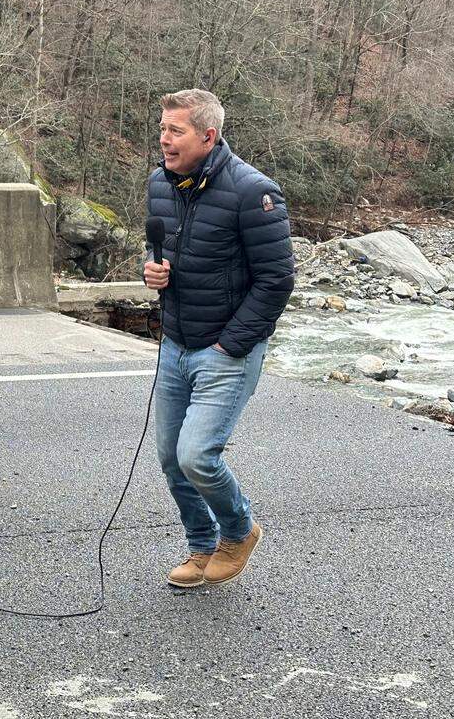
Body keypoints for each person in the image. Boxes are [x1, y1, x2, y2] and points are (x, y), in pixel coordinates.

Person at [143, 89, 294, 589]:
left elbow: (277, 279)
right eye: (162, 129)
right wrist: (152, 271)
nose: (164, 139)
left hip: (225, 349)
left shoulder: (254, 191)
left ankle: (238, 531)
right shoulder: (160, 183)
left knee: (196, 456)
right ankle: (201, 545)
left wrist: (231, 344)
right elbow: (159, 248)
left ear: (208, 136)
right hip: (175, 343)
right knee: (171, 459)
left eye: (176, 130)